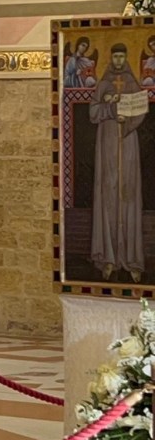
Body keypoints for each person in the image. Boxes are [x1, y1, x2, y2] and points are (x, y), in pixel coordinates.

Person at [89, 43, 146, 283]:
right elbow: (93, 113)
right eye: (116, 56)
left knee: (128, 193)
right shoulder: (102, 85)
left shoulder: (133, 84)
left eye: (123, 55)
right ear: (111, 58)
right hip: (108, 143)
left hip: (127, 141)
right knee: (108, 194)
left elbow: (141, 110)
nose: (119, 60)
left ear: (126, 58)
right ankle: (108, 258)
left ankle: (131, 259)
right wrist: (111, 108)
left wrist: (129, 120)